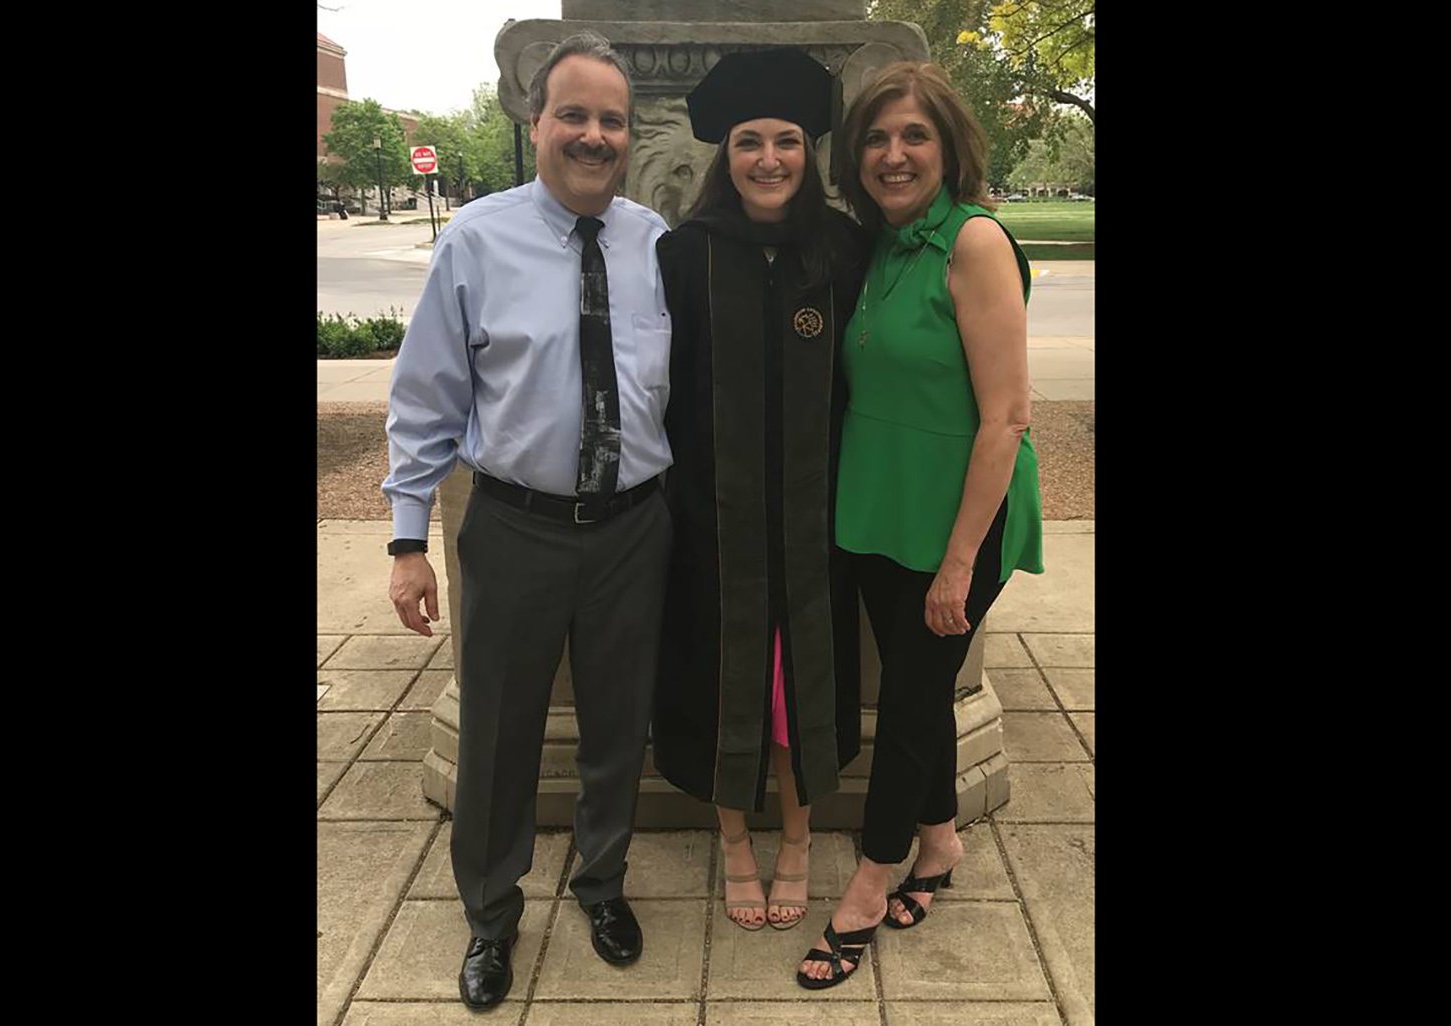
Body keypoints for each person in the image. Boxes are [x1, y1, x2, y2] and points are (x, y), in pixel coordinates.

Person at [381, 31, 673, 1010]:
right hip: (514, 529)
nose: (593, 134)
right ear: (537, 122)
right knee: (499, 731)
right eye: (573, 115)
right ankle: (492, 914)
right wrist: (407, 539)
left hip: (633, 527)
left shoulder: (655, 246)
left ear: (629, 135)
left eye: (611, 119)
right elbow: (424, 398)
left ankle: (600, 883)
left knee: (615, 722)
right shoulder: (477, 239)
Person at [797, 60, 1044, 990]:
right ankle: (940, 847)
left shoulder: (972, 242)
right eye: (874, 138)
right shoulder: (877, 246)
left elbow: (1007, 417)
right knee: (913, 686)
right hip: (876, 509)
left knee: (904, 703)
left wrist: (958, 566)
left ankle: (870, 878)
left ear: (949, 148)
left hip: (957, 525)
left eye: (913, 137)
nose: (892, 155)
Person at [651, 48, 866, 934]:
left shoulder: (847, 250)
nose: (769, 159)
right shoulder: (682, 256)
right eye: (749, 142)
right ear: (724, 154)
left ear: (809, 152)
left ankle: (799, 840)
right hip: (715, 524)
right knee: (728, 678)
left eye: (785, 140)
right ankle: (736, 840)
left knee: (796, 688)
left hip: (822, 524)